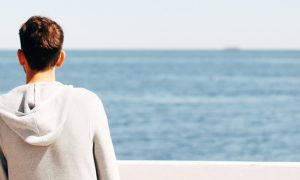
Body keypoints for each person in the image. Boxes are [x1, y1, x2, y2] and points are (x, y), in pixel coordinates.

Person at [0, 16, 120, 180]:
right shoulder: (88, 104)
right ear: (61, 58)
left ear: (21, 57)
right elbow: (109, 175)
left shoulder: (2, 113)